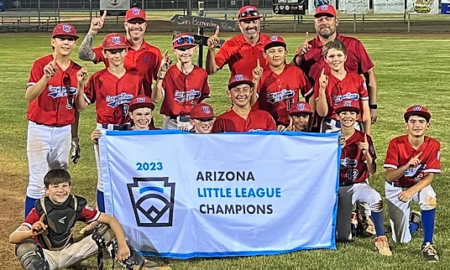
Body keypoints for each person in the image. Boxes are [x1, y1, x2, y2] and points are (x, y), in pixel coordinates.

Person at [9, 169, 171, 270]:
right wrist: (31, 232)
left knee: (106, 231)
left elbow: (111, 220)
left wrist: (122, 245)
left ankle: (140, 266)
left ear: (70, 187)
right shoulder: (39, 208)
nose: (61, 190)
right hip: (46, 257)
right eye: (56, 186)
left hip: (69, 252)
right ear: (46, 189)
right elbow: (13, 238)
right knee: (24, 246)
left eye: (64, 186)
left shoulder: (76, 204)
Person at [76, 33, 144, 213]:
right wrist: (81, 85)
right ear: (104, 54)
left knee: (129, 176)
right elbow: (81, 106)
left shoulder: (135, 78)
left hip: (129, 131)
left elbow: (144, 107)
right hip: (105, 132)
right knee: (104, 179)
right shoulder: (98, 78)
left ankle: (128, 216)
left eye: (120, 51)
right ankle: (103, 220)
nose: (117, 55)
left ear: (126, 52)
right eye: (112, 52)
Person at [24, 23, 86, 217]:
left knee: (59, 179)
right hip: (40, 129)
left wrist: (74, 136)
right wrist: (44, 78)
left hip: (64, 131)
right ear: (53, 42)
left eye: (70, 39)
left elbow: (79, 107)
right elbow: (29, 96)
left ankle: (55, 223)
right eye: (62, 38)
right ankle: (30, 226)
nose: (66, 42)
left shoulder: (77, 70)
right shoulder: (41, 64)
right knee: (37, 181)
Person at [292, 4, 378, 125]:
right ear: (314, 23)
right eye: (320, 19)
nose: (324, 22)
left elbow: (369, 73)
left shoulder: (353, 45)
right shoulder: (307, 49)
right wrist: (299, 57)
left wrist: (372, 106)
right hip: (317, 114)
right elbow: (289, 74)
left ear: (336, 21)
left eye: (328, 18)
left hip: (350, 115)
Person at [334, 100, 392, 256]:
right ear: (338, 116)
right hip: (339, 187)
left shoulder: (364, 138)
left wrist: (367, 154)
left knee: (376, 198)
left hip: (358, 184)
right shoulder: (331, 138)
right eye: (344, 113)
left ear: (357, 117)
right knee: (343, 237)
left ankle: (381, 238)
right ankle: (353, 219)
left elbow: (372, 170)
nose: (348, 116)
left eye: (352, 113)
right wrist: (333, 149)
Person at [384, 105, 440, 262]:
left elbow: (429, 177)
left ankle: (428, 243)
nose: (417, 125)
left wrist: (411, 191)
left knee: (429, 196)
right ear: (406, 125)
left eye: (421, 121)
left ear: (427, 126)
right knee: (402, 240)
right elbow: (389, 176)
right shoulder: (396, 143)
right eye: (412, 121)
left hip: (416, 185)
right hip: (395, 187)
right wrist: (407, 166)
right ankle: (415, 221)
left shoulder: (433, 144)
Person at [78, 7, 162, 98]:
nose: (137, 26)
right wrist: (93, 31)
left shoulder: (154, 52)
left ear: (145, 25)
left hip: (142, 108)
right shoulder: (114, 47)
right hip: (115, 104)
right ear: (125, 25)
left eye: (140, 23)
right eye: (133, 22)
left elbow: (161, 81)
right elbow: (84, 54)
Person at [253, 35, 312, 132]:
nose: (276, 55)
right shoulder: (261, 75)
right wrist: (255, 81)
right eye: (272, 51)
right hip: (268, 127)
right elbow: (252, 102)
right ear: (264, 54)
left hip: (292, 126)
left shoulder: (296, 72)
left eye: (280, 51)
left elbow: (310, 95)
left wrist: (310, 120)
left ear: (285, 53)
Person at [152, 33, 211, 130]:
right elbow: (155, 99)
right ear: (174, 51)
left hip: (193, 122)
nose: (185, 52)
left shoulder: (201, 74)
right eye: (181, 49)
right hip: (172, 122)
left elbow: (203, 97)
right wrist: (161, 75)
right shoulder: (168, 73)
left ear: (194, 49)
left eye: (189, 48)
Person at [314, 40, 371, 135]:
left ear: (345, 57)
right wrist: (322, 89)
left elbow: (365, 111)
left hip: (354, 126)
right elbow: (322, 113)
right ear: (325, 59)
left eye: (339, 55)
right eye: (331, 56)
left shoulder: (357, 79)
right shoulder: (322, 80)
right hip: (331, 127)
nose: (336, 59)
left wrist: (368, 135)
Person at [206, 5, 270, 80]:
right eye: (247, 22)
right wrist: (211, 50)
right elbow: (211, 70)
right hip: (241, 90)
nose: (251, 25)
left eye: (254, 21)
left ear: (259, 22)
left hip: (266, 91)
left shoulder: (270, 43)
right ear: (239, 25)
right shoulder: (230, 44)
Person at [212, 74, 277, 132]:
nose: (241, 94)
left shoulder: (265, 117)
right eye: (236, 90)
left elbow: (274, 142)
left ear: (251, 91)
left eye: (245, 89)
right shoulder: (221, 121)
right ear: (229, 93)